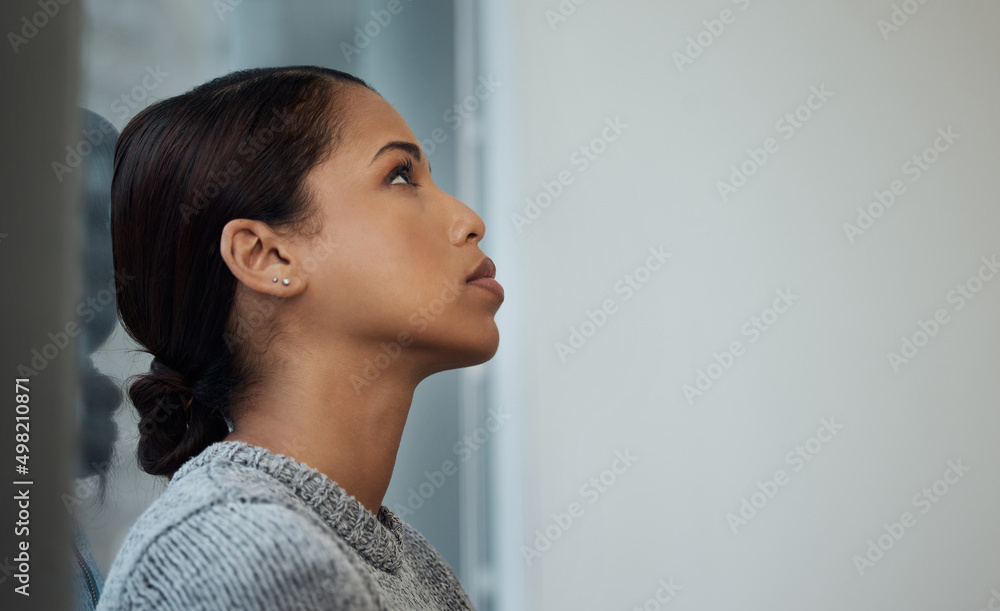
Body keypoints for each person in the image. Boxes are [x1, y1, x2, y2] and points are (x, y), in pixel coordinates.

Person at [96, 66, 503, 610]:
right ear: (267, 257)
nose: (469, 221)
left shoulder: (399, 560)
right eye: (401, 176)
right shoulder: (245, 555)